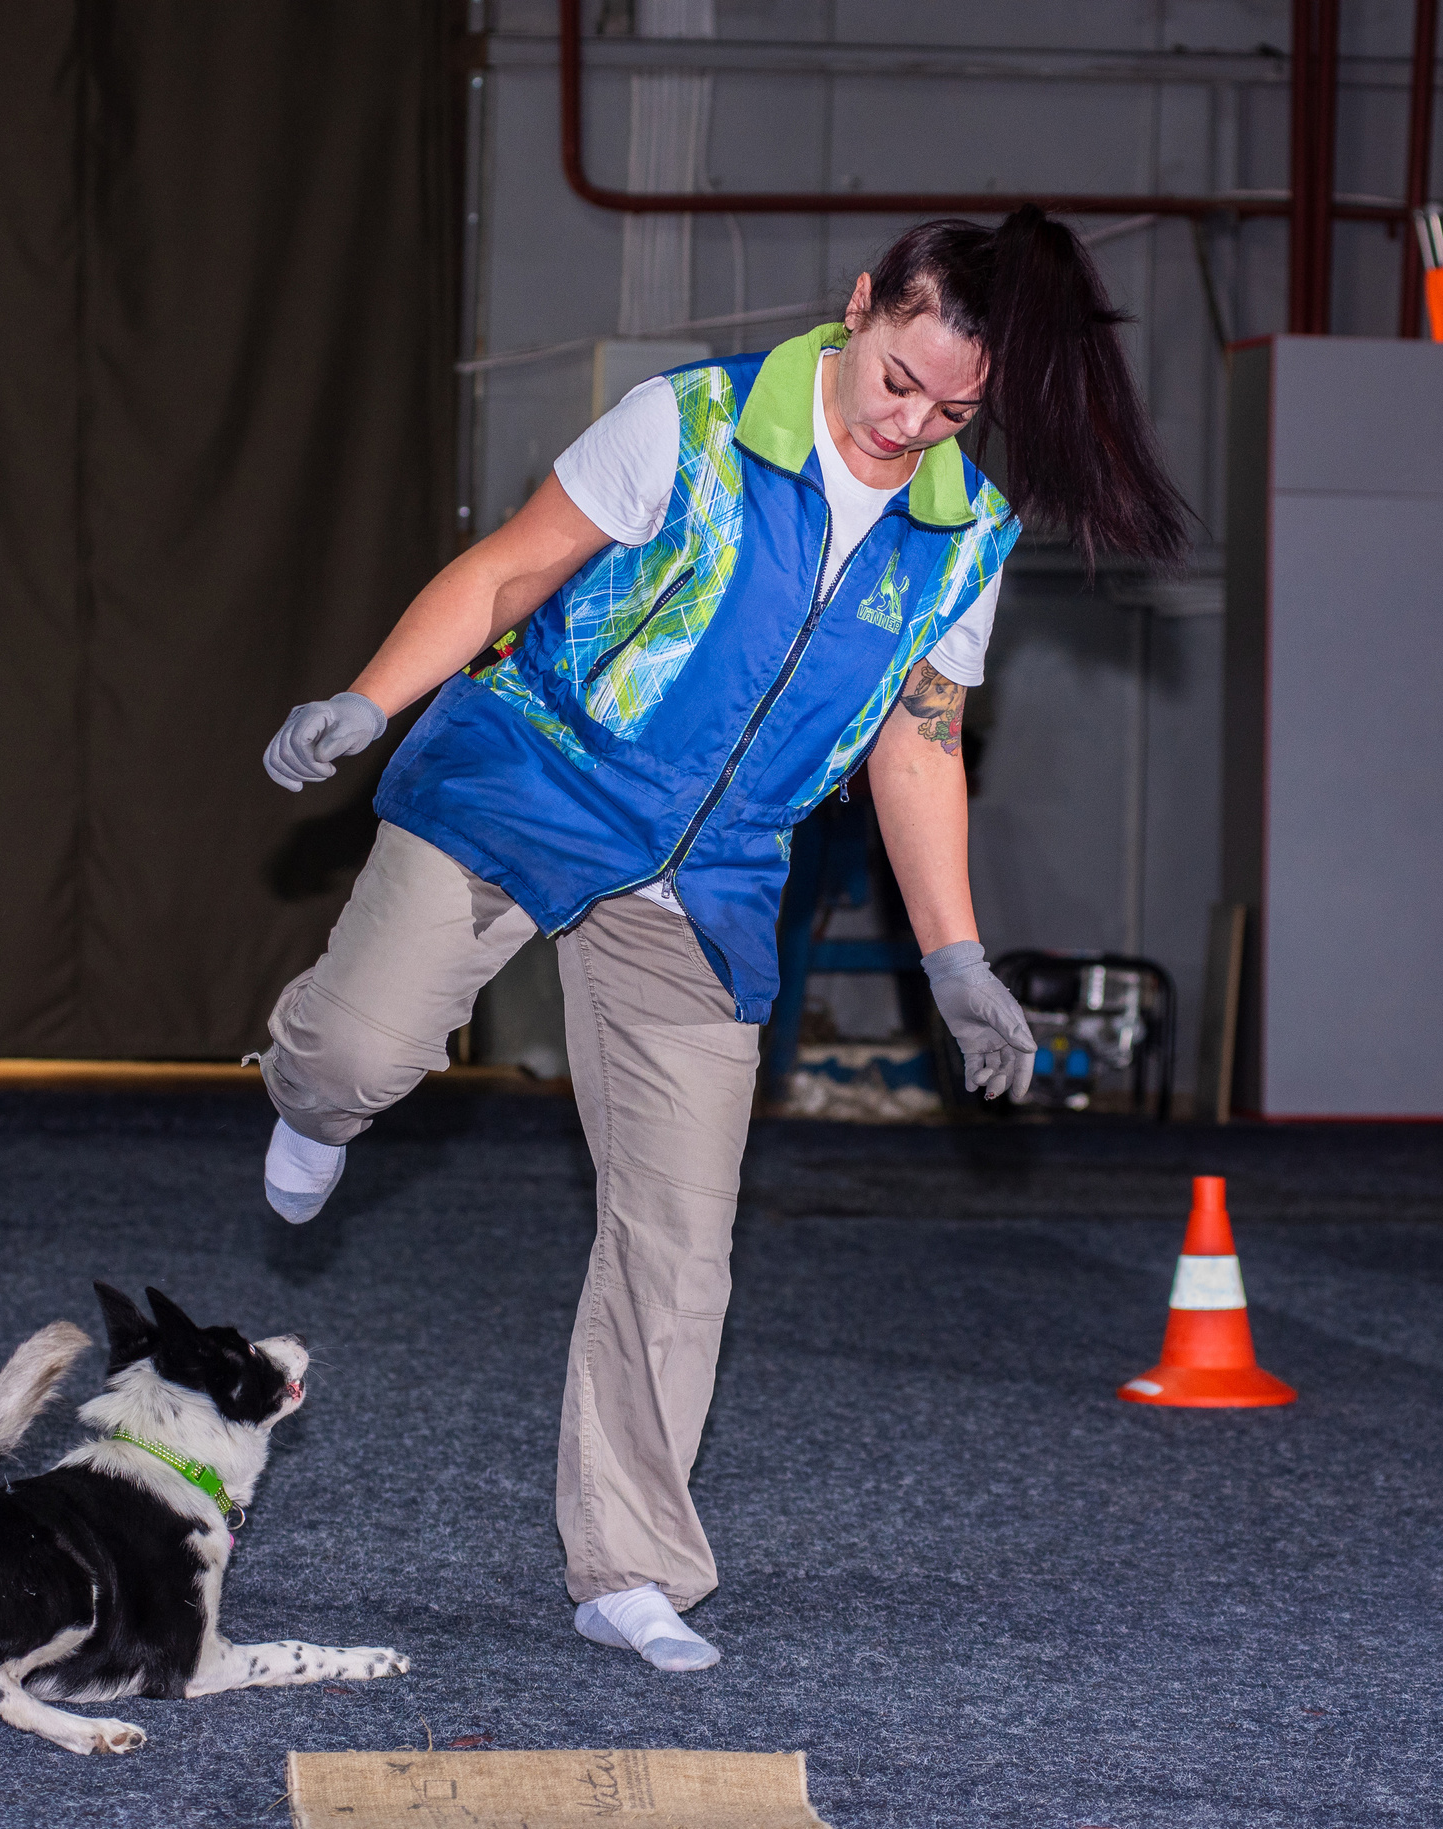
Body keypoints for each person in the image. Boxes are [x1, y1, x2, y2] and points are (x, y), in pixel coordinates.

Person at [251, 208, 1191, 1673]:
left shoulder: (966, 536)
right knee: (360, 1052)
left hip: (712, 875)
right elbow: (507, 575)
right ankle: (312, 1093)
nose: (911, 427)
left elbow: (920, 747)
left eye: (955, 409)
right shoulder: (685, 425)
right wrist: (368, 702)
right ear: (863, 304)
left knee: (682, 1239)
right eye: (898, 381)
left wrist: (957, 959)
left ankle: (629, 1563)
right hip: (535, 780)